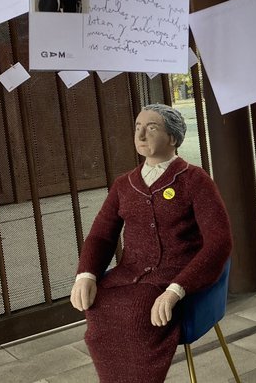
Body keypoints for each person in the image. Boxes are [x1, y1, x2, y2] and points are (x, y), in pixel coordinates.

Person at [70, 103, 233, 382]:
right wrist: (86, 274)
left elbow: (219, 241)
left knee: (138, 311)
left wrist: (176, 289)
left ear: (173, 137)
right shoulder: (124, 184)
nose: (141, 135)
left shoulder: (194, 180)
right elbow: (101, 235)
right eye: (138, 127)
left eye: (152, 128)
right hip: (129, 274)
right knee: (97, 304)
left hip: (175, 274)